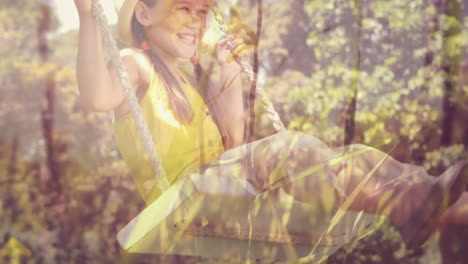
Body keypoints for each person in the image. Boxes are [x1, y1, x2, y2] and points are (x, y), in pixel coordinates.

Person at [74, 0, 468, 250]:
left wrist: (228, 69)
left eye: (201, 11)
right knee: (291, 148)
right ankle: (417, 203)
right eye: (183, 8)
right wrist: (87, 16)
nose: (196, 20)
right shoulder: (137, 65)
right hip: (183, 199)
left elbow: (233, 150)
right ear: (144, 13)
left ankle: (425, 207)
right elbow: (96, 97)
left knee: (335, 158)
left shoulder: (190, 81)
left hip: (220, 194)